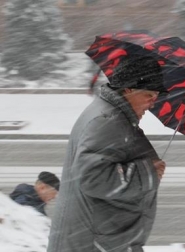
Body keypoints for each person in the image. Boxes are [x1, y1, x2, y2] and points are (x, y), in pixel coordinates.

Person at [47, 55, 168, 252]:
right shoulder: (107, 120)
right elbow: (93, 177)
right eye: (149, 95)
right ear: (129, 89)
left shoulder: (112, 114)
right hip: (92, 244)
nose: (153, 103)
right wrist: (147, 173)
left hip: (93, 240)